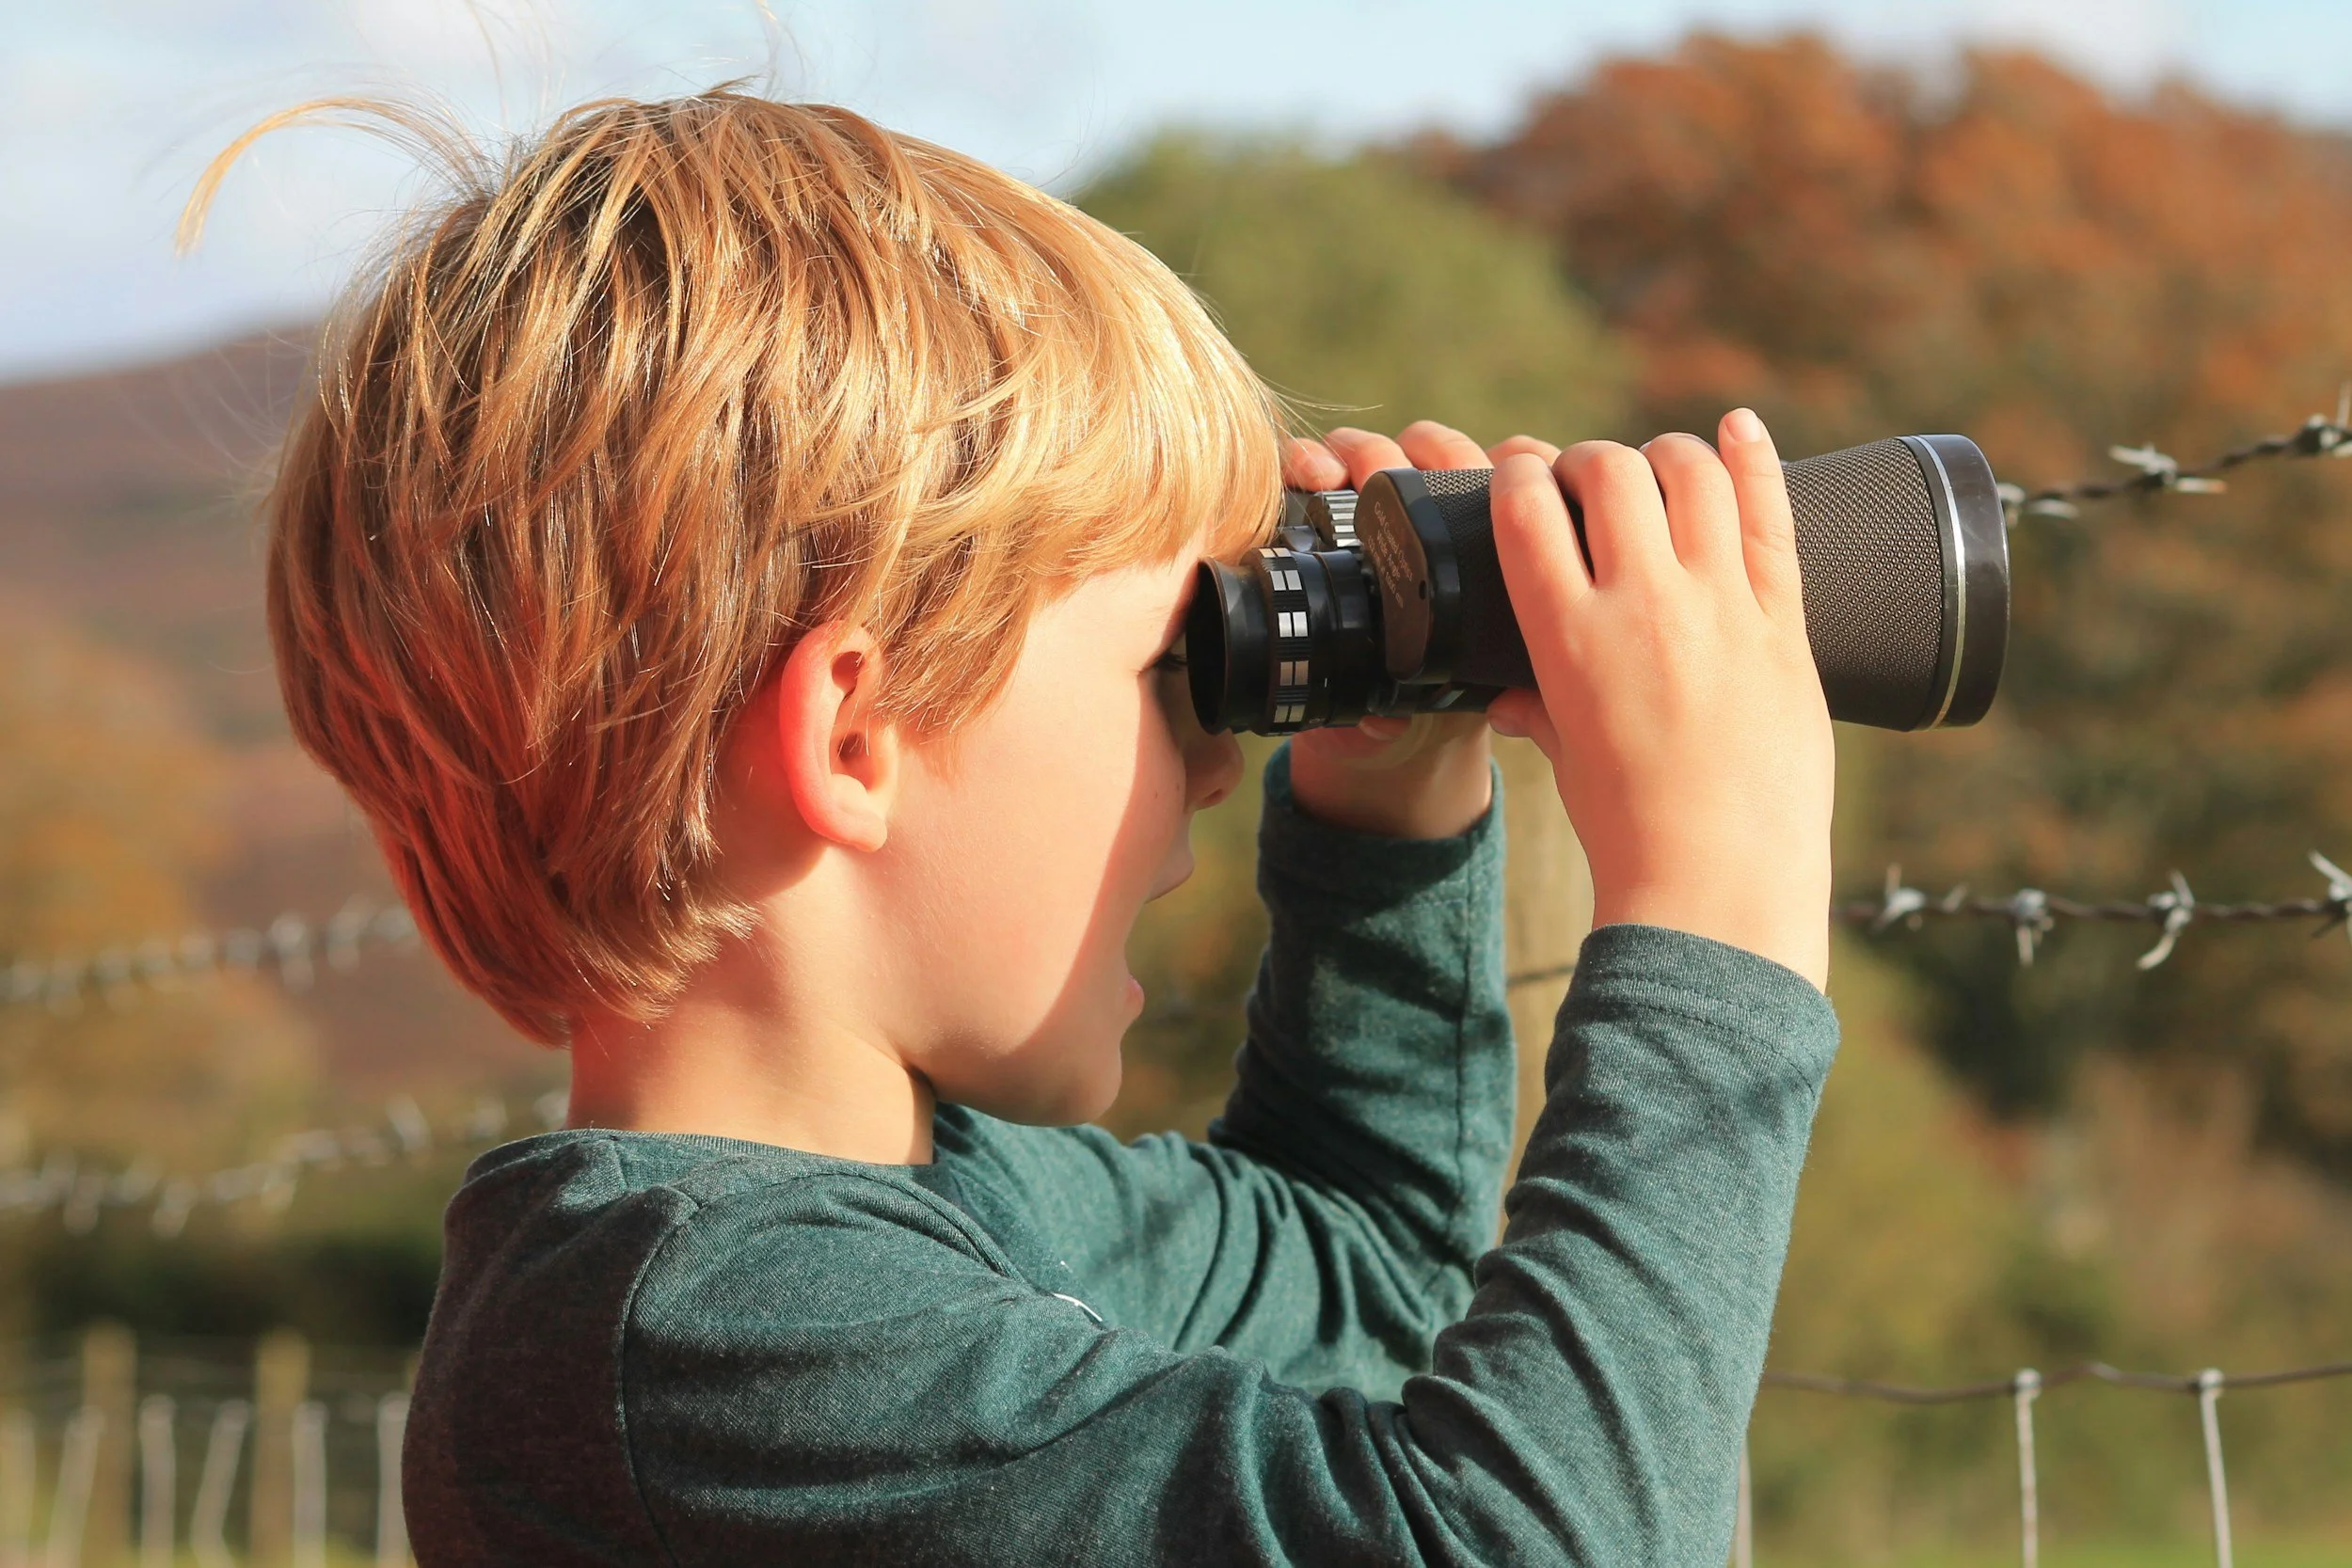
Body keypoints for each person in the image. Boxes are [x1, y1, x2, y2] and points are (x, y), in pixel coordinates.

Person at [195, 87, 1836, 1564]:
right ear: (854, 733)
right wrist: (1716, 904)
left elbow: (1362, 1292)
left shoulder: (908, 1211)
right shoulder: (691, 1326)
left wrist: (1386, 805)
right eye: (1158, 672)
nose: (1209, 762)